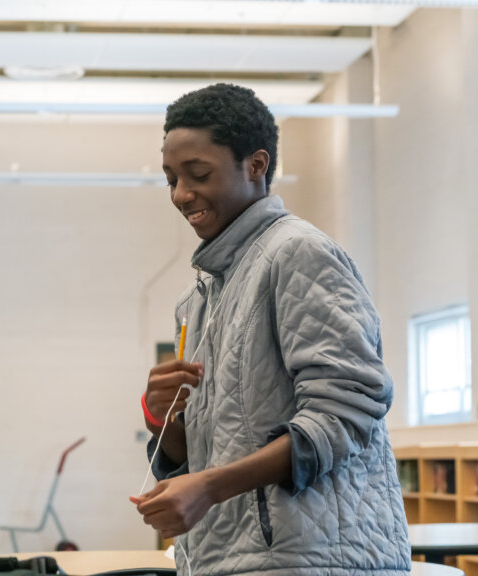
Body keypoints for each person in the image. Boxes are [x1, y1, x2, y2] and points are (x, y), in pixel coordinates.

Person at [130, 84, 410, 575]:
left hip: (314, 561)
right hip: (227, 561)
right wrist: (167, 421)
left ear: (256, 166)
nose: (180, 194)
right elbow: (198, 453)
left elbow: (346, 412)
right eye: (171, 178)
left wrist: (212, 486)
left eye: (198, 174)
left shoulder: (297, 253)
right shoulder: (196, 299)